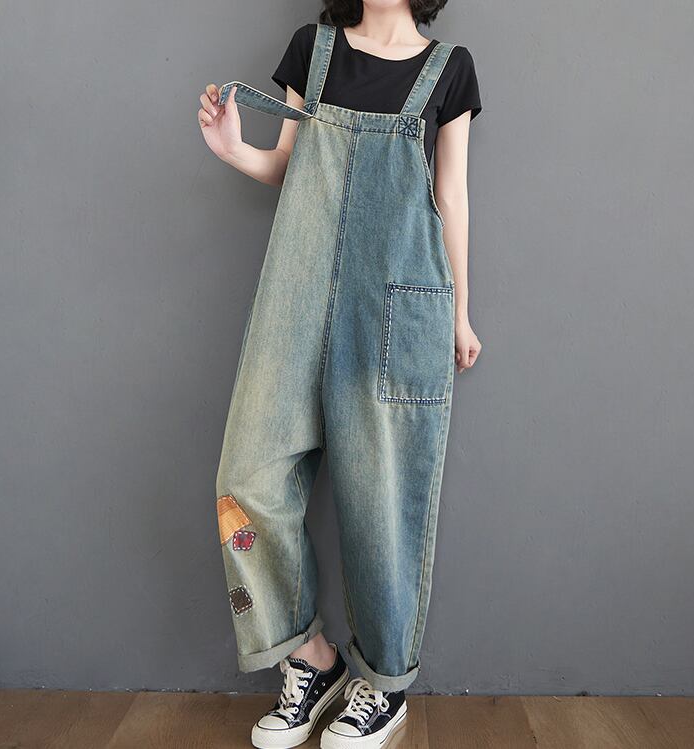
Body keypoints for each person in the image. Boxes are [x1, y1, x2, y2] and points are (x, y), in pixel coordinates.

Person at [198, 2, 482, 747]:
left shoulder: (449, 70)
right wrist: (235, 150)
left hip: (395, 304)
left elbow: (451, 194)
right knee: (246, 477)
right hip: (295, 292)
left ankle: (382, 685)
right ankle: (310, 656)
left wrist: (459, 312)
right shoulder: (314, 50)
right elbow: (289, 164)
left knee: (381, 497)